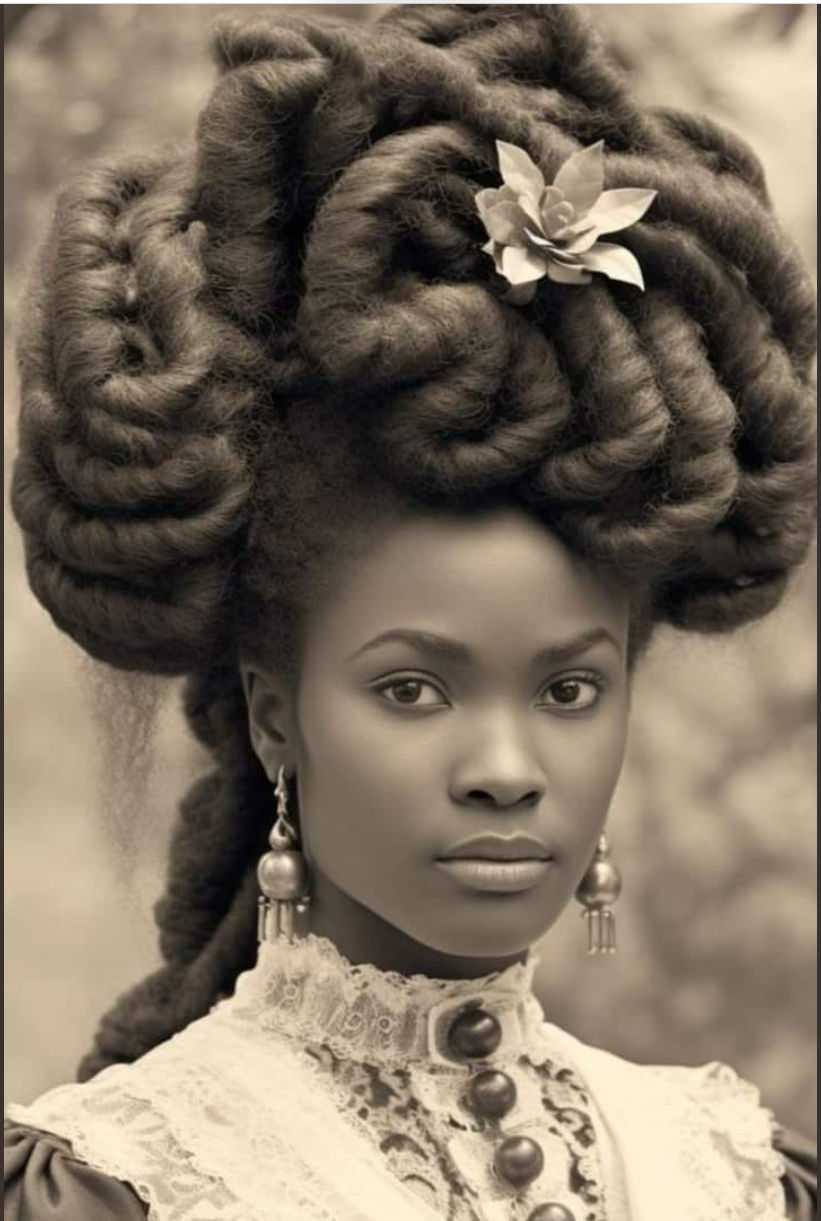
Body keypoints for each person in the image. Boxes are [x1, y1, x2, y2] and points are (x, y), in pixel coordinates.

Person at [4, 5, 817, 1219]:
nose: (505, 769)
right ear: (275, 719)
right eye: (412, 689)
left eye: (567, 690)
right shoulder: (120, 1182)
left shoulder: (737, 1172)